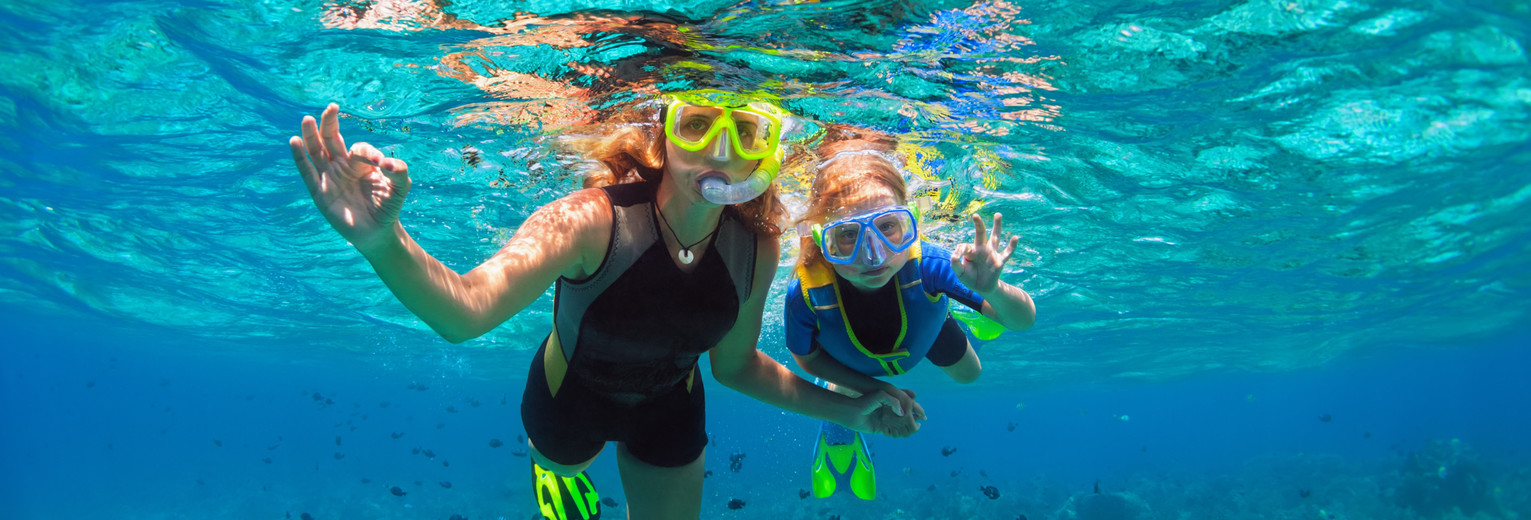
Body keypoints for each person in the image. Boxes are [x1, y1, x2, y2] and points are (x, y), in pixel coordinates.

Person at [286, 92, 919, 520]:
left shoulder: (759, 244)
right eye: (697, 124)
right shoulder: (590, 220)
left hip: (672, 410)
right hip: (568, 402)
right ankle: (558, 476)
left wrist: (852, 411)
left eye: (746, 132)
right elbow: (465, 311)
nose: (721, 150)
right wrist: (381, 240)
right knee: (563, 471)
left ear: (764, 150)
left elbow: (735, 367)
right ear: (662, 137)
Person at [784, 131, 1037, 500]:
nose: (873, 256)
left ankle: (966, 307)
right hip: (851, 364)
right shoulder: (806, 293)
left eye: (888, 227)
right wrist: (876, 391)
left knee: (971, 375)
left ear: (912, 222)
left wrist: (991, 290)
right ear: (823, 240)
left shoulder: (931, 264)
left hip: (924, 327)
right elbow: (805, 358)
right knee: (856, 383)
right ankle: (839, 417)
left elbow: (1023, 321)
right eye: (848, 236)